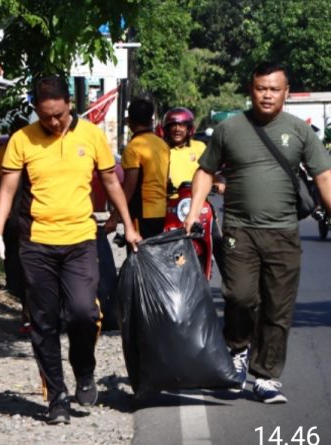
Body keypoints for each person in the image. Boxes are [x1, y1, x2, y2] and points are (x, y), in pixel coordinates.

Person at [0, 76, 141, 425]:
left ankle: (84, 369)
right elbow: (8, 190)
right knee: (43, 322)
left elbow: (111, 182)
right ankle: (57, 397)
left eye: (58, 114)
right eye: (45, 117)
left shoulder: (92, 136)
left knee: (84, 312)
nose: (53, 122)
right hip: (36, 243)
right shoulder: (22, 140)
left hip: (81, 239)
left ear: (69, 104)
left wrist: (128, 225)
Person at [185, 61, 331, 404]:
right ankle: (237, 350)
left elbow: (323, 177)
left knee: (278, 307)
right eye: (261, 88)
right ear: (251, 90)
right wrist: (193, 212)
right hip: (239, 229)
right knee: (239, 296)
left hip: (283, 233)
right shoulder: (229, 129)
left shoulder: (300, 131)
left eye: (274, 89)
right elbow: (206, 171)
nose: (267, 95)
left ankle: (265, 375)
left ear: (286, 93)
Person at [163, 106, 226, 274]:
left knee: (219, 243)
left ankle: (232, 288)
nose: (177, 129)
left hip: (200, 207)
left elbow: (211, 172)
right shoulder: (161, 149)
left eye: (182, 125)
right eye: (172, 125)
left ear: (189, 128)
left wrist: (219, 183)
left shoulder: (200, 147)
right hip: (172, 207)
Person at [0, 117, 31, 335]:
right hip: (24, 215)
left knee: (20, 265)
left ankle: (28, 314)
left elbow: (1, 189)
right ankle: (31, 314)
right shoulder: (33, 148)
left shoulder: (0, 154)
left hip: (14, 216)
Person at [105, 98, 170, 238]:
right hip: (160, 211)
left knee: (138, 257)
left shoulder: (133, 148)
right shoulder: (162, 145)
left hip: (142, 212)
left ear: (130, 122)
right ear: (150, 121)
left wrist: (114, 216)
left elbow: (129, 187)